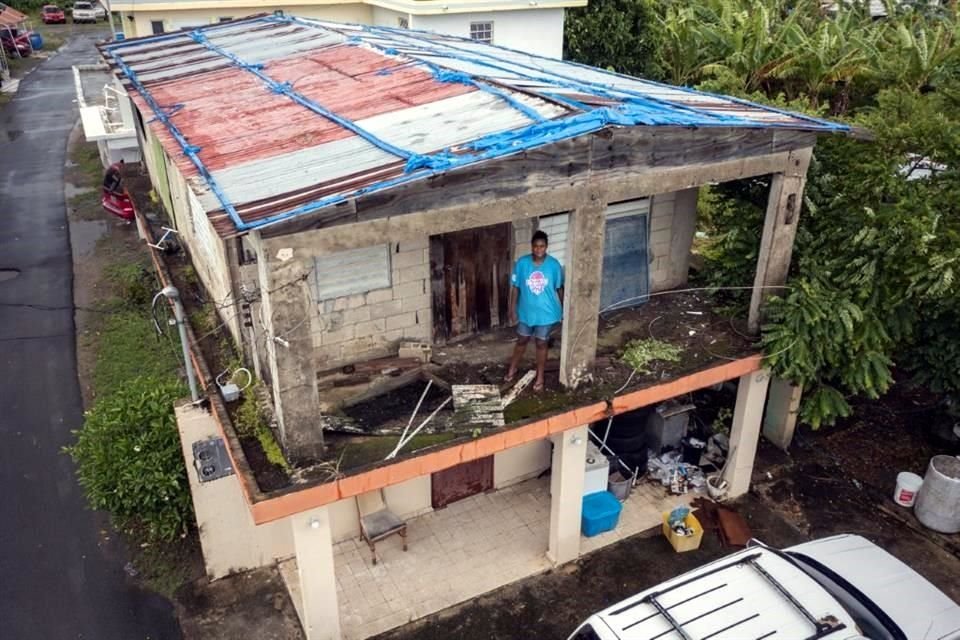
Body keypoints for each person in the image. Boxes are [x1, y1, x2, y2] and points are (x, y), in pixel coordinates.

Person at [505, 230, 564, 392]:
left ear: (546, 247)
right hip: (526, 311)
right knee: (522, 340)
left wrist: (564, 309)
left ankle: (540, 376)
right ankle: (513, 367)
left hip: (546, 312)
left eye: (542, 246)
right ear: (532, 247)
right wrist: (512, 309)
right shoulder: (522, 263)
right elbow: (515, 288)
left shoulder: (554, 265)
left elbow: (559, 288)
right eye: (536, 246)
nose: (539, 249)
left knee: (541, 343)